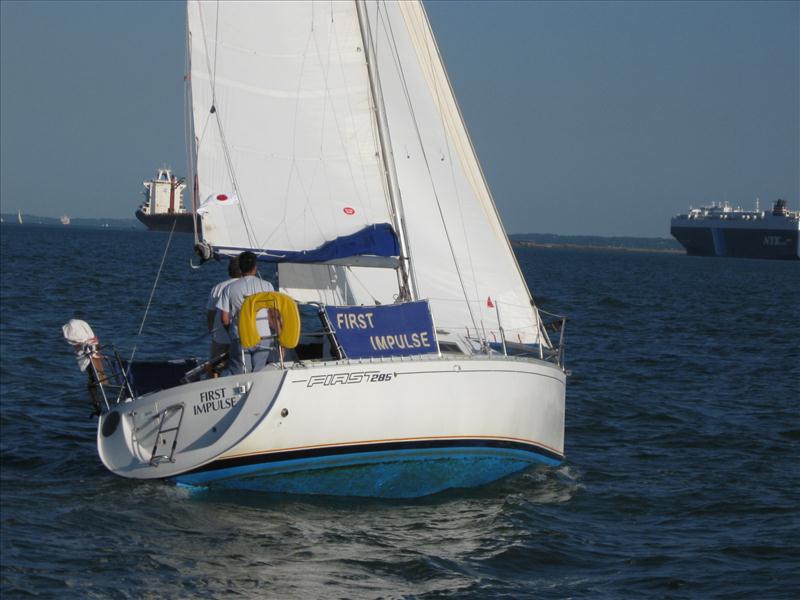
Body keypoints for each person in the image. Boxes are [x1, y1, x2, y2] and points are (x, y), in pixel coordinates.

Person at [217, 251, 275, 374]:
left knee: (241, 374)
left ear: (240, 267)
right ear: (255, 267)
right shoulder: (268, 286)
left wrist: (232, 334)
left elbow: (224, 319)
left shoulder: (229, 289)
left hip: (240, 336)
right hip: (263, 335)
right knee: (259, 373)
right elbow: (272, 316)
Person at [206, 258, 242, 360]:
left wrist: (212, 332)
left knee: (215, 367)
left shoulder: (218, 287)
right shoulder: (245, 286)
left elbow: (210, 314)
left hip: (220, 337)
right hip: (240, 338)